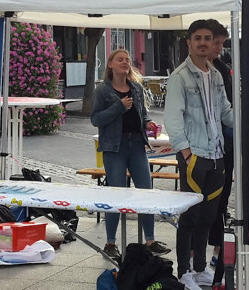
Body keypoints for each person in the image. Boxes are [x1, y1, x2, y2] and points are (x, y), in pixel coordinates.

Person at [164, 20, 233, 290]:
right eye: (198, 38)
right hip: (195, 156)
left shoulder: (215, 75)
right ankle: (184, 272)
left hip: (217, 156)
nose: (203, 42)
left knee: (208, 215)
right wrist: (187, 153)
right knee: (190, 218)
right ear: (189, 42)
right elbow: (173, 119)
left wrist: (247, 119)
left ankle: (202, 268)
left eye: (207, 38)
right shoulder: (180, 77)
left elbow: (225, 112)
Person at [90, 49, 171, 261]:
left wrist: (148, 123)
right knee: (116, 194)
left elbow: (142, 114)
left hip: (137, 145)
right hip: (114, 148)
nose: (125, 62)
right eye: (120, 60)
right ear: (110, 65)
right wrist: (118, 107)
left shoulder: (135, 87)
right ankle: (110, 243)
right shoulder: (103, 91)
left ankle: (150, 241)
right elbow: (96, 119)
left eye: (127, 60)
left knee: (147, 191)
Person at [204, 20, 232, 280]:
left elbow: (227, 108)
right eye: (218, 43)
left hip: (224, 145)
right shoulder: (190, 72)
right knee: (200, 205)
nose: (221, 48)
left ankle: (217, 251)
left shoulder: (222, 69)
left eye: (223, 43)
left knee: (221, 200)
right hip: (202, 148)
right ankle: (194, 258)